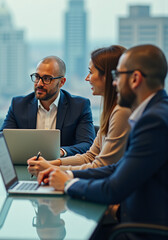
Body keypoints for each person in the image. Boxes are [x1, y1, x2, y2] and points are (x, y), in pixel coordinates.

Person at [38, 45, 168, 239]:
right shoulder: (153, 113)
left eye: (118, 76)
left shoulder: (153, 121)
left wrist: (68, 184)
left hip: (141, 226)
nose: (115, 83)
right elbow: (116, 168)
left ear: (135, 79)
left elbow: (112, 189)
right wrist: (67, 173)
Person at [28, 46, 131, 175]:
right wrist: (51, 164)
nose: (87, 78)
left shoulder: (121, 112)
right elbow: (90, 156)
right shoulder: (110, 110)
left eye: (91, 72)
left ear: (107, 76)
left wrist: (52, 169)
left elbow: (101, 166)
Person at [0, 56, 95, 157]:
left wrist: (60, 152)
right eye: (37, 77)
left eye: (46, 79)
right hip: (26, 167)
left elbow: (87, 145)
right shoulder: (19, 105)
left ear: (61, 82)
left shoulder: (79, 106)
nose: (39, 84)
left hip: (62, 169)